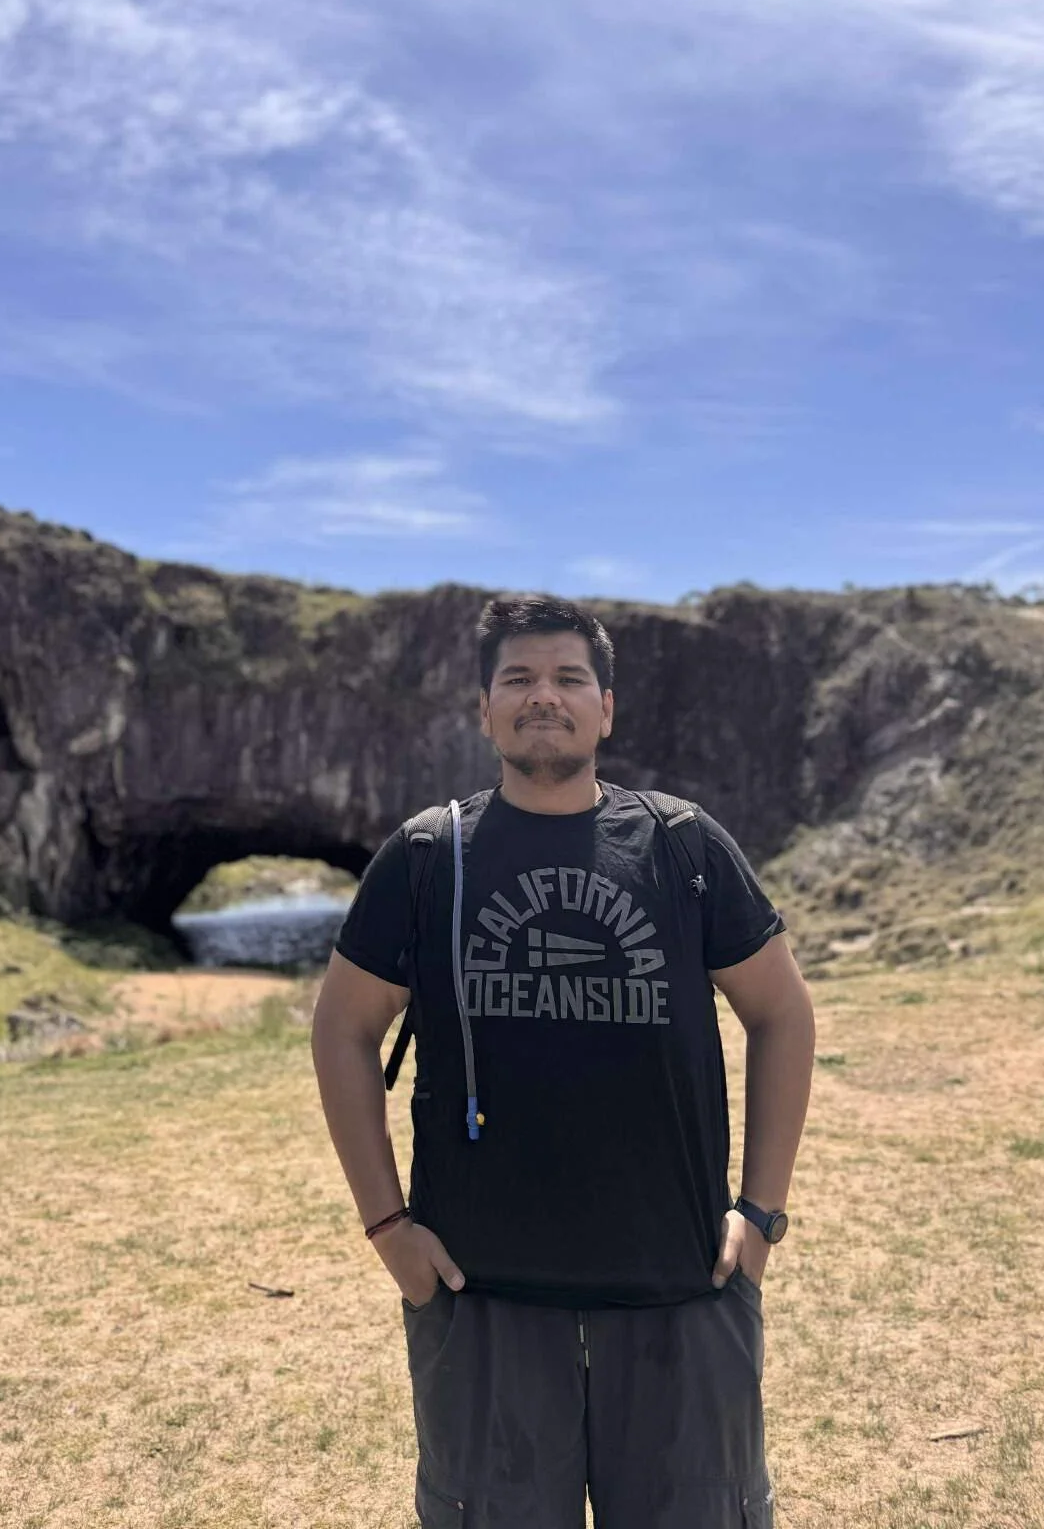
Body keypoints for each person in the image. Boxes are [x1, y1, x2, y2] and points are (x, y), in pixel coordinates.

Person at [311, 593, 816, 1528]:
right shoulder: (428, 858)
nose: (545, 696)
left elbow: (781, 1012)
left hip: (682, 1294)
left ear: (606, 707)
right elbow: (342, 1030)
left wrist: (760, 1214)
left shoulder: (684, 848)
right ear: (485, 709)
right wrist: (388, 1229)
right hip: (484, 1300)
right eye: (519, 679)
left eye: (569, 678)